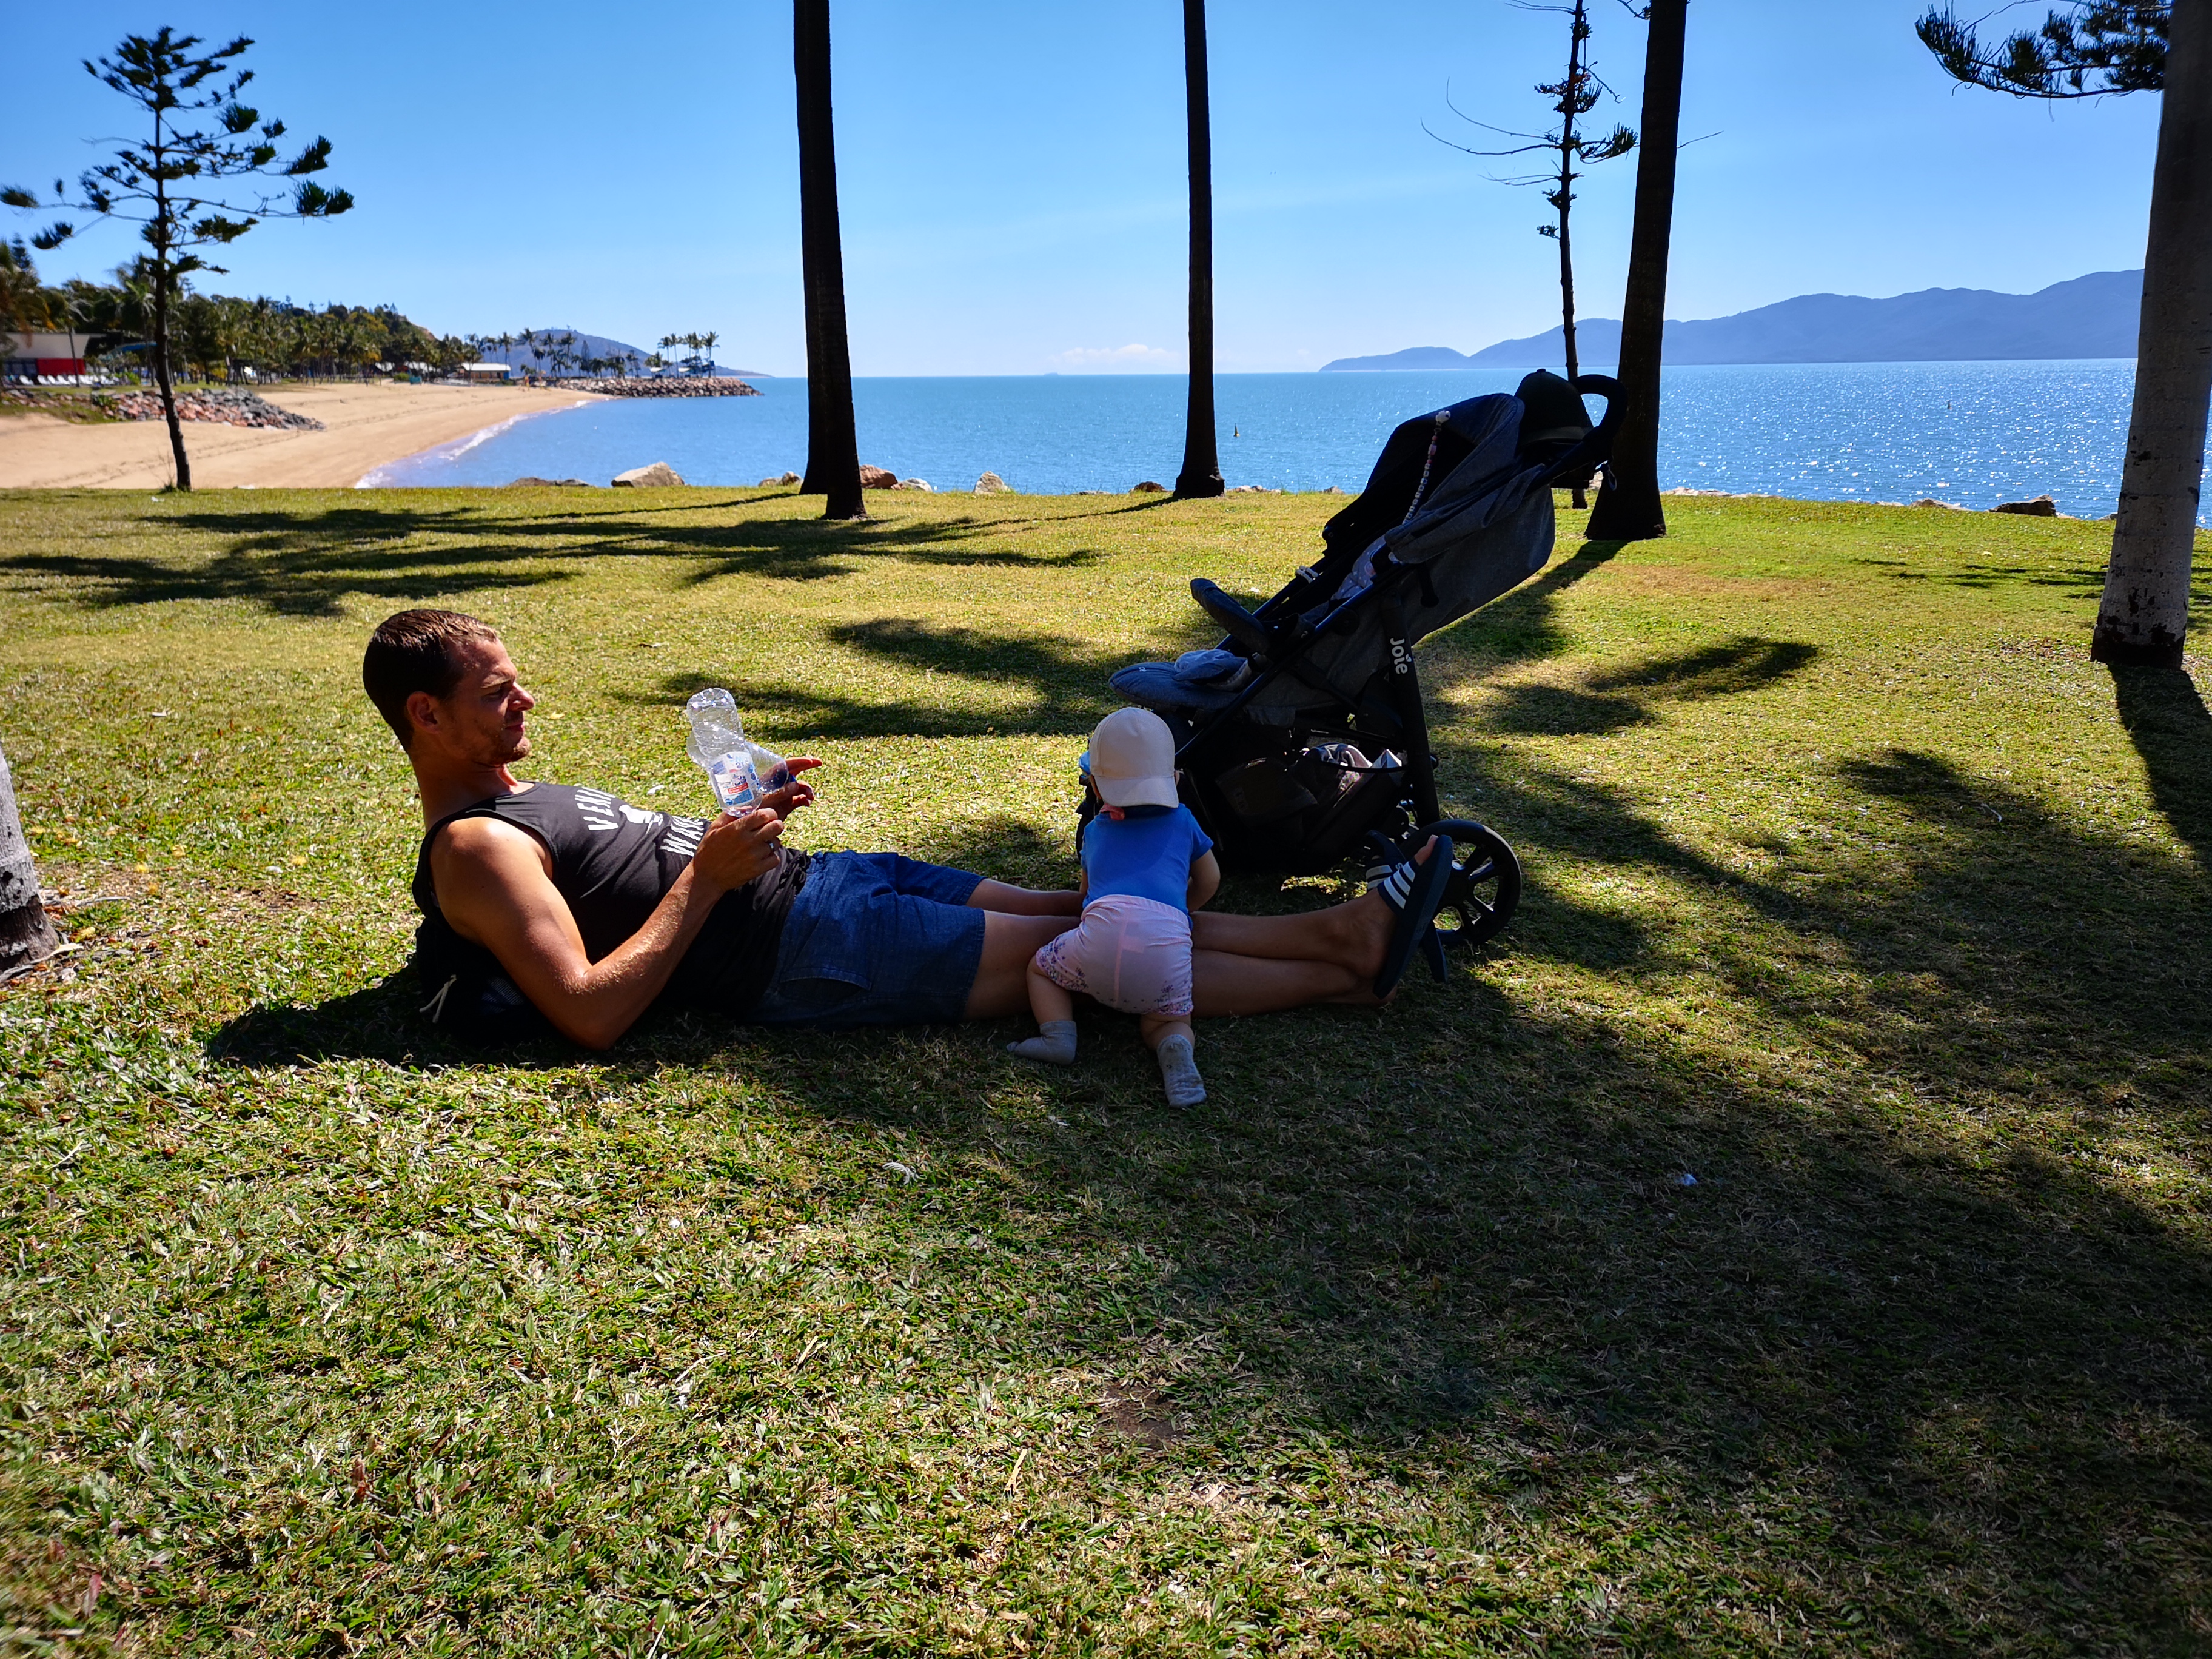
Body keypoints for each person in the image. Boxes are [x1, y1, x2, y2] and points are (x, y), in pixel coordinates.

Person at [363, 609, 1446, 1050]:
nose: (525, 701)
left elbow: (635, 875)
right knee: (1102, 951)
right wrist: (711, 876)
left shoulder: (513, 797)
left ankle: (1340, 940)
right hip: (804, 949)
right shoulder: (473, 850)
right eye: (498, 693)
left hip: (827, 882)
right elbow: (590, 1011)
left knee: (1106, 908)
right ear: (426, 716)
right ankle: (1344, 960)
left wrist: (749, 811)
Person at [1010, 709, 1219, 1107]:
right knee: (1168, 1020)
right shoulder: (1184, 820)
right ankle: (1174, 1047)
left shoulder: (1094, 831)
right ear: (1174, 779)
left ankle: (1058, 1037)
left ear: (1094, 785)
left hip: (1099, 940)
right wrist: (1182, 912)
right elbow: (1210, 880)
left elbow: (1086, 895)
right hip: (1166, 949)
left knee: (1040, 970)